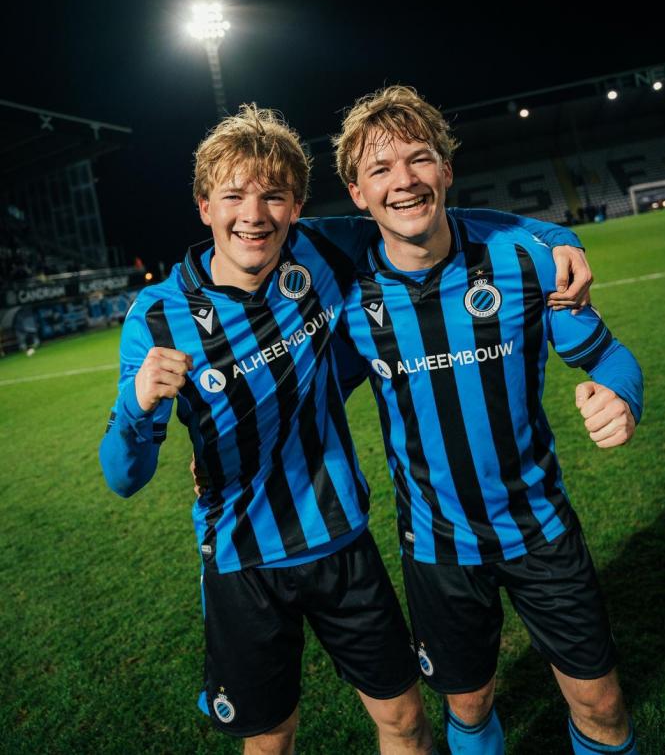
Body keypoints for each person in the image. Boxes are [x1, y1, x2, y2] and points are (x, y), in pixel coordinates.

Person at [102, 104, 589, 754]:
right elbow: (122, 476)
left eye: (274, 196)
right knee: (270, 743)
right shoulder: (157, 318)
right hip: (243, 563)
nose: (254, 214)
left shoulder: (327, 250)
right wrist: (137, 404)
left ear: (298, 205)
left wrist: (564, 242)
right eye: (233, 197)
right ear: (204, 207)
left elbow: (447, 224)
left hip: (344, 547)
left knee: (408, 723)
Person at [332, 86, 643, 755]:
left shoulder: (527, 260)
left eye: (419, 160)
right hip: (438, 548)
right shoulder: (349, 297)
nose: (404, 181)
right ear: (357, 194)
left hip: (540, 530)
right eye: (379, 170)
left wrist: (620, 395)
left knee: (604, 705)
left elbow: (609, 356)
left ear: (447, 169)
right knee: (468, 708)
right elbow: (303, 397)